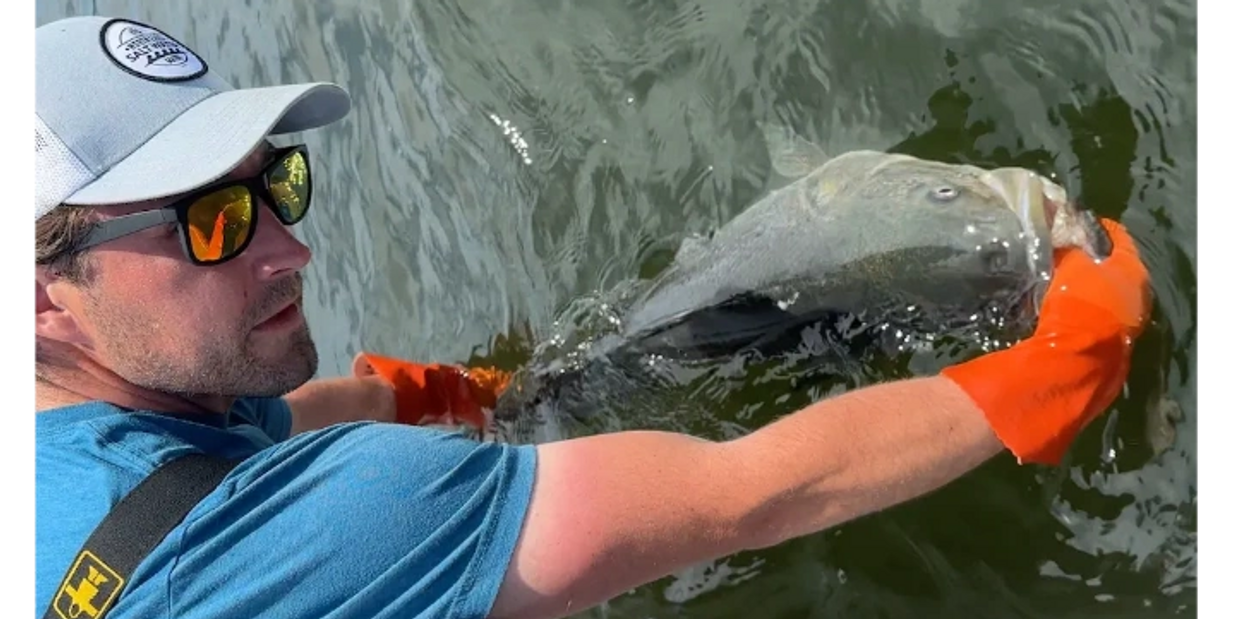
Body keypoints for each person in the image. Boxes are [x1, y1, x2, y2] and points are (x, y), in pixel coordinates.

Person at [31, 14, 1152, 619]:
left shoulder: (74, 446)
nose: (294, 246)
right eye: (213, 221)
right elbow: (756, 490)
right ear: (47, 298)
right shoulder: (350, 524)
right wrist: (1060, 369)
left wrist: (389, 394)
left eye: (277, 184)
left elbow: (194, 464)